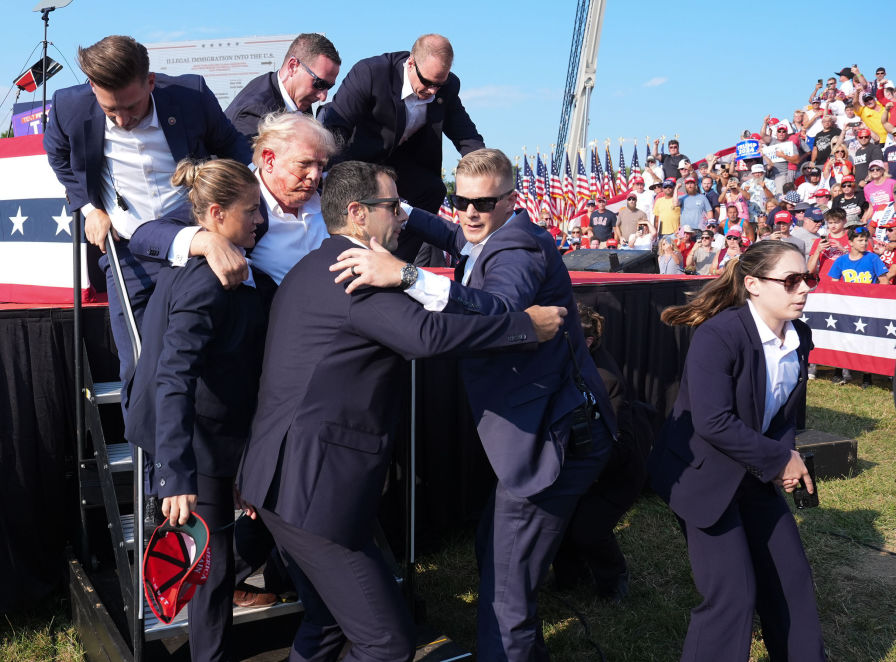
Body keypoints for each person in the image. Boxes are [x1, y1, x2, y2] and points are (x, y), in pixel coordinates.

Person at [235, 160, 567, 662]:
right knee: (386, 643)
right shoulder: (356, 274)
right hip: (312, 493)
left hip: (280, 482)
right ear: (358, 214)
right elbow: (427, 335)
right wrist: (524, 326)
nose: (401, 217)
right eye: (393, 207)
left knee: (327, 623)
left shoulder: (311, 266)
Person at [328, 148, 614, 662]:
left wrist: (405, 275)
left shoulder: (516, 248)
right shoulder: (486, 232)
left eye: (483, 203)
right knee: (498, 552)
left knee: (507, 588)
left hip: (555, 436)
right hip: (544, 427)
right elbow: (452, 235)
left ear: (511, 201)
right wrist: (395, 206)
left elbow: (501, 308)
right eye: (461, 201)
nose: (470, 213)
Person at [649, 240, 825, 662]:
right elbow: (712, 421)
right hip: (701, 476)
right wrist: (780, 459)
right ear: (753, 284)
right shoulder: (719, 334)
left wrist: (782, 456)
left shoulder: (799, 335)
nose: (804, 289)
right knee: (733, 595)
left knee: (792, 579)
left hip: (754, 471)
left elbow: (783, 415)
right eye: (792, 280)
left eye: (808, 278)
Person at [43, 35, 252, 383]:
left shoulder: (191, 96)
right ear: (92, 87)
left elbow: (233, 147)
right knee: (139, 368)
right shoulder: (69, 107)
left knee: (204, 356)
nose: (122, 120)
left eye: (132, 107)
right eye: (110, 110)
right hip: (128, 254)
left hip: (195, 242)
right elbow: (58, 156)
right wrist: (90, 208)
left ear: (150, 82)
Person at [123, 158, 267, 662]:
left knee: (227, 556)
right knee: (213, 566)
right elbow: (173, 378)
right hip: (194, 437)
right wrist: (176, 474)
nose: (260, 220)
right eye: (251, 211)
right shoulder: (207, 281)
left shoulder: (227, 264)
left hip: (218, 432)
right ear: (216, 214)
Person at [320, 34, 484, 260]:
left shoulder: (447, 88)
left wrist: (486, 175)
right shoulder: (371, 73)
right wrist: (330, 173)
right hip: (357, 160)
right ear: (411, 63)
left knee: (432, 189)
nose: (433, 91)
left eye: (439, 84)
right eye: (427, 83)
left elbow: (466, 135)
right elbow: (336, 126)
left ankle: (395, 260)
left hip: (399, 164)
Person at [131, 112, 337, 290]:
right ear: (269, 160)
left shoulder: (328, 198)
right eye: (304, 164)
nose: (314, 175)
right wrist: (207, 242)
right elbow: (145, 236)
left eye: (320, 165)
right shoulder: (236, 194)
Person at [552, 303, 653, 602]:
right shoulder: (567, 361)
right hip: (581, 462)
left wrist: (586, 473)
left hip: (616, 470)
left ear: (588, 341)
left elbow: (619, 443)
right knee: (559, 520)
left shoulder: (604, 379)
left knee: (588, 529)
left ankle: (614, 577)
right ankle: (571, 576)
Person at [225, 34, 341, 140]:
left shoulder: (299, 101)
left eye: (329, 87)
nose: (323, 97)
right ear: (292, 66)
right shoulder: (254, 115)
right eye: (320, 84)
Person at [861, 160, 896, 226]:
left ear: (882, 170)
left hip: (891, 216)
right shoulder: (867, 188)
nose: (875, 171)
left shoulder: (892, 183)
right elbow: (871, 207)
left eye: (878, 169)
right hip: (876, 218)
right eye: (872, 169)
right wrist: (865, 218)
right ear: (869, 172)